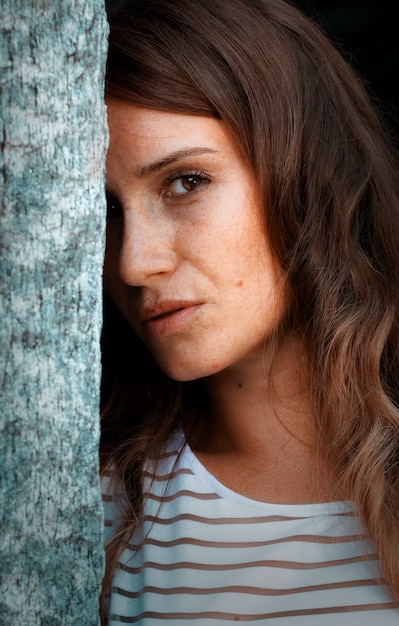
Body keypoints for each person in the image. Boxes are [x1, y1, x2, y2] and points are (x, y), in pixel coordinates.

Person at [100, 0, 399, 623]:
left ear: (305, 175)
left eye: (184, 182)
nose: (133, 264)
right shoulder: (95, 520)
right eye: (104, 212)